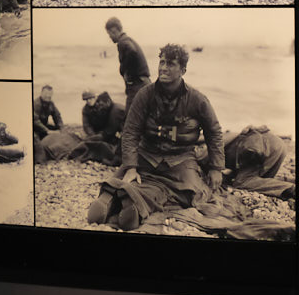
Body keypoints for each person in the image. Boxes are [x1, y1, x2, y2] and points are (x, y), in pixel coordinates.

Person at [87, 44, 224, 230]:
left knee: (192, 194)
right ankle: (111, 201)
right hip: (147, 156)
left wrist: (216, 167)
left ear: (183, 70)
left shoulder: (197, 99)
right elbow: (130, 131)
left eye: (171, 64)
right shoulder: (145, 95)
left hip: (181, 159)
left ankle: (130, 201)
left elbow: (214, 132)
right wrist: (131, 167)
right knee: (124, 178)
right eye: (162, 62)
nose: (163, 68)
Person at [223, 125, 295, 199]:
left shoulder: (219, 143)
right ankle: (290, 181)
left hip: (260, 147)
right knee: (260, 180)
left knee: (242, 182)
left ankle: (289, 188)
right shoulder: (229, 138)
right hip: (278, 144)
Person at [105, 16, 151, 114]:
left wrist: (126, 71)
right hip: (144, 82)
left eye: (109, 35)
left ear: (113, 31)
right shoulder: (128, 39)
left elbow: (132, 51)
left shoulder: (122, 42)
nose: (110, 38)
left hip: (138, 84)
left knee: (130, 116)